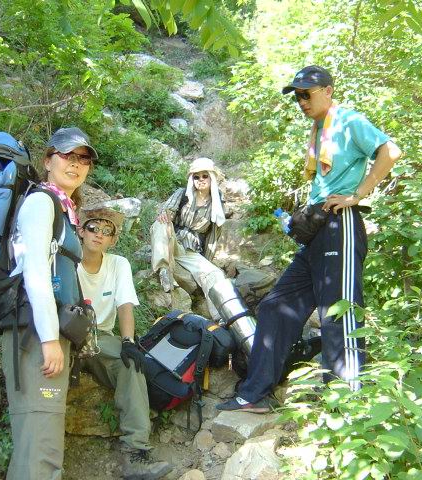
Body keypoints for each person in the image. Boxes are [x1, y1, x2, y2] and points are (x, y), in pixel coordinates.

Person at [217, 65, 402, 412]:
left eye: (307, 94)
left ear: (328, 91)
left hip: (341, 226)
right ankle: (256, 393)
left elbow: (390, 152)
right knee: (275, 306)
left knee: (339, 312)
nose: (301, 101)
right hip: (319, 231)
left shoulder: (347, 120)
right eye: (297, 96)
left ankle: (347, 405)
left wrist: (357, 195)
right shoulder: (320, 130)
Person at [1, 127, 96, 479]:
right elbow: (36, 273)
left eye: (83, 159)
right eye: (67, 155)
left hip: (45, 330)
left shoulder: (63, 209)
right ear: (47, 160)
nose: (76, 164)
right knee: (40, 447)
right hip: (34, 332)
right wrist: (49, 338)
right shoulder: (42, 202)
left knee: (38, 442)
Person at [76, 207, 173, 480]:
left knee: (131, 363)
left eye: (107, 231)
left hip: (100, 337)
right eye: (93, 228)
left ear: (113, 240)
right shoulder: (67, 261)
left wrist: (129, 341)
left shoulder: (118, 264)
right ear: (81, 231)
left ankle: (135, 453)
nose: (99, 234)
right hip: (66, 334)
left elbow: (125, 304)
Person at [151, 157, 227, 320]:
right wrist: (165, 215)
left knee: (215, 274)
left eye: (205, 176)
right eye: (196, 176)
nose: (201, 180)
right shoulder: (182, 194)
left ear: (212, 177)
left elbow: (213, 237)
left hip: (191, 250)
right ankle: (164, 270)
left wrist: (206, 262)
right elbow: (167, 212)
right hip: (171, 240)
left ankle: (220, 318)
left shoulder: (217, 203)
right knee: (160, 223)